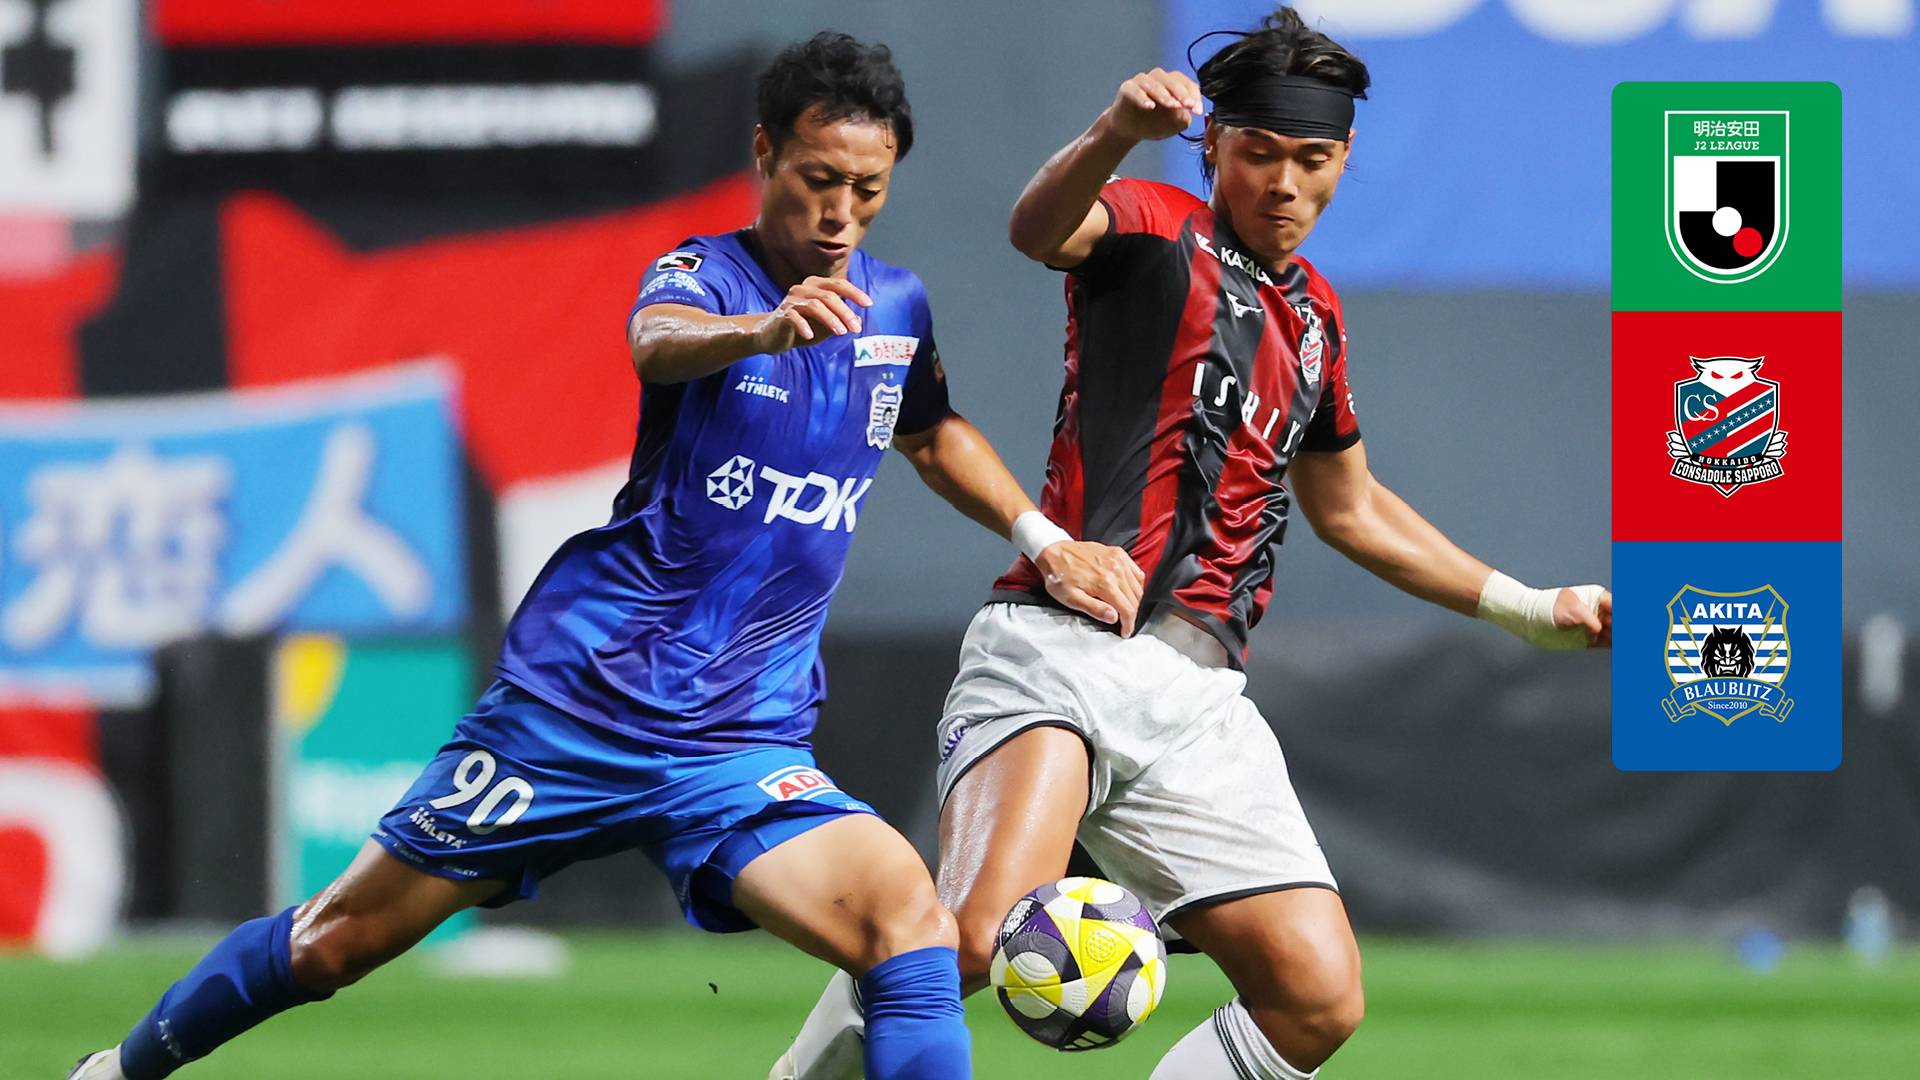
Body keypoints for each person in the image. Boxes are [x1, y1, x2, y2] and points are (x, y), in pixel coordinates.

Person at [67, 32, 1143, 1080]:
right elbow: (655, 341)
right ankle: (121, 1068)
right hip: (580, 708)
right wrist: (763, 333)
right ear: (764, 152)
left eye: (868, 188)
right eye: (819, 179)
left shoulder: (894, 305)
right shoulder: (705, 276)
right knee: (335, 943)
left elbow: (931, 432)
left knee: (908, 929)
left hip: (737, 740)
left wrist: (1043, 541)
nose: (840, 214)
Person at [772, 8, 1611, 1079]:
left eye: (1312, 159)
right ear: (1213, 143)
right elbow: (1038, 228)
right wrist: (1117, 131)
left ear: (1344, 159)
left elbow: (1350, 509)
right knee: (971, 942)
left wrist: (1530, 608)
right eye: (1259, 152)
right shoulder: (1156, 225)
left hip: (1198, 703)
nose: (1284, 183)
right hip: (1060, 650)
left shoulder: (1317, 322)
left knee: (1317, 998)